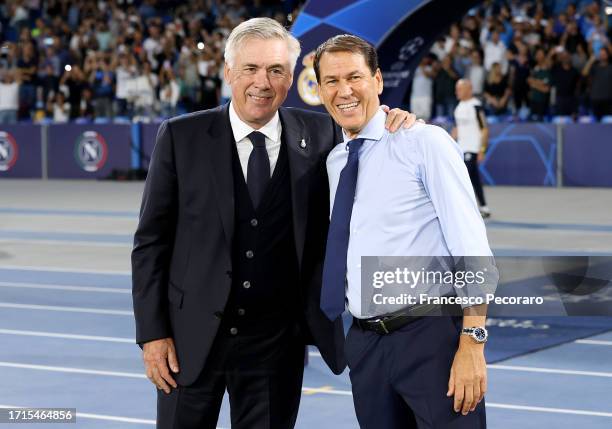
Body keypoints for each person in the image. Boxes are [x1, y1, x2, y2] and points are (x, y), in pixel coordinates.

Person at [131, 18, 416, 429]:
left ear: (291, 77)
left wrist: (397, 122)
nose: (262, 82)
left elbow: (368, 131)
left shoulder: (323, 134)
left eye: (276, 70)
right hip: (188, 341)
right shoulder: (181, 137)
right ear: (229, 72)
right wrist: (153, 335)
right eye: (250, 69)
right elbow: (151, 243)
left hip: (276, 346)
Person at [315, 34, 495, 429]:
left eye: (354, 77)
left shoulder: (423, 143)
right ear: (320, 89)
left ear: (378, 81)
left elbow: (472, 246)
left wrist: (472, 341)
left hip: (431, 337)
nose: (344, 91)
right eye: (331, 81)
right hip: (364, 343)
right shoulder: (335, 161)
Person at [453, 79, 490, 218]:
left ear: (469, 89)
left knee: (463, 178)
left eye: (459, 89)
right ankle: (484, 207)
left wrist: (482, 149)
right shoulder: (458, 107)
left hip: (472, 148)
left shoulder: (476, 106)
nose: (457, 91)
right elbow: (457, 129)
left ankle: (465, 209)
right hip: (461, 149)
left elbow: (485, 129)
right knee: (473, 179)